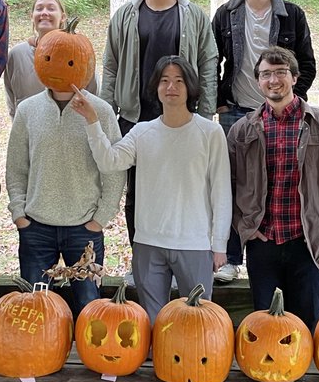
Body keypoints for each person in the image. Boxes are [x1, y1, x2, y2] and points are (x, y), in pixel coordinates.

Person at [73, 56, 229, 323]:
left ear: (190, 87)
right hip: (148, 243)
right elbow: (109, 161)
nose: (171, 87)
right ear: (156, 87)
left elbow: (221, 192)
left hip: (194, 243)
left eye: (179, 81)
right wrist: (92, 121)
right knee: (154, 324)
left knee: (198, 324)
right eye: (164, 80)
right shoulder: (142, 132)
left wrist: (219, 245)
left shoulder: (210, 133)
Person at [226, 46, 319, 332]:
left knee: (309, 329)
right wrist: (244, 226)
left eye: (280, 72)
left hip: (310, 243)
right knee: (266, 330)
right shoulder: (242, 130)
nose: (273, 80)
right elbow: (229, 184)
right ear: (258, 81)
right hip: (263, 244)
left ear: (295, 77)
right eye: (266, 74)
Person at [101, 0, 218, 244]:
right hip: (135, 117)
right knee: (137, 191)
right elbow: (111, 65)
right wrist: (107, 113)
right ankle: (140, 253)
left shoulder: (194, 16)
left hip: (182, 119)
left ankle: (180, 250)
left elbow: (208, 62)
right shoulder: (125, 16)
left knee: (183, 187)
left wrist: (205, 113)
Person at [212, 0, 316, 280]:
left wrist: (290, 99)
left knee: (276, 179)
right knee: (232, 182)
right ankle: (230, 257)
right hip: (236, 111)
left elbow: (307, 64)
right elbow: (212, 61)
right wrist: (220, 100)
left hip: (280, 115)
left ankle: (274, 251)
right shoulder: (226, 14)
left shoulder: (292, 14)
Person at [7, 59, 123, 314]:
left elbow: (114, 169)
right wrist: (19, 214)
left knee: (89, 308)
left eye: (70, 61)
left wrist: (101, 219)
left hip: (84, 229)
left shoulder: (100, 111)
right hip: (36, 227)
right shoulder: (28, 110)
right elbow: (16, 167)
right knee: (35, 308)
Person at [2, 0, 96, 116]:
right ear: (32, 16)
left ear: (63, 17)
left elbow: (93, 95)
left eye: (51, 9)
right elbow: (12, 99)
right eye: (39, 9)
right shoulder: (17, 54)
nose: (44, 12)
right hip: (28, 124)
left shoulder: (81, 53)